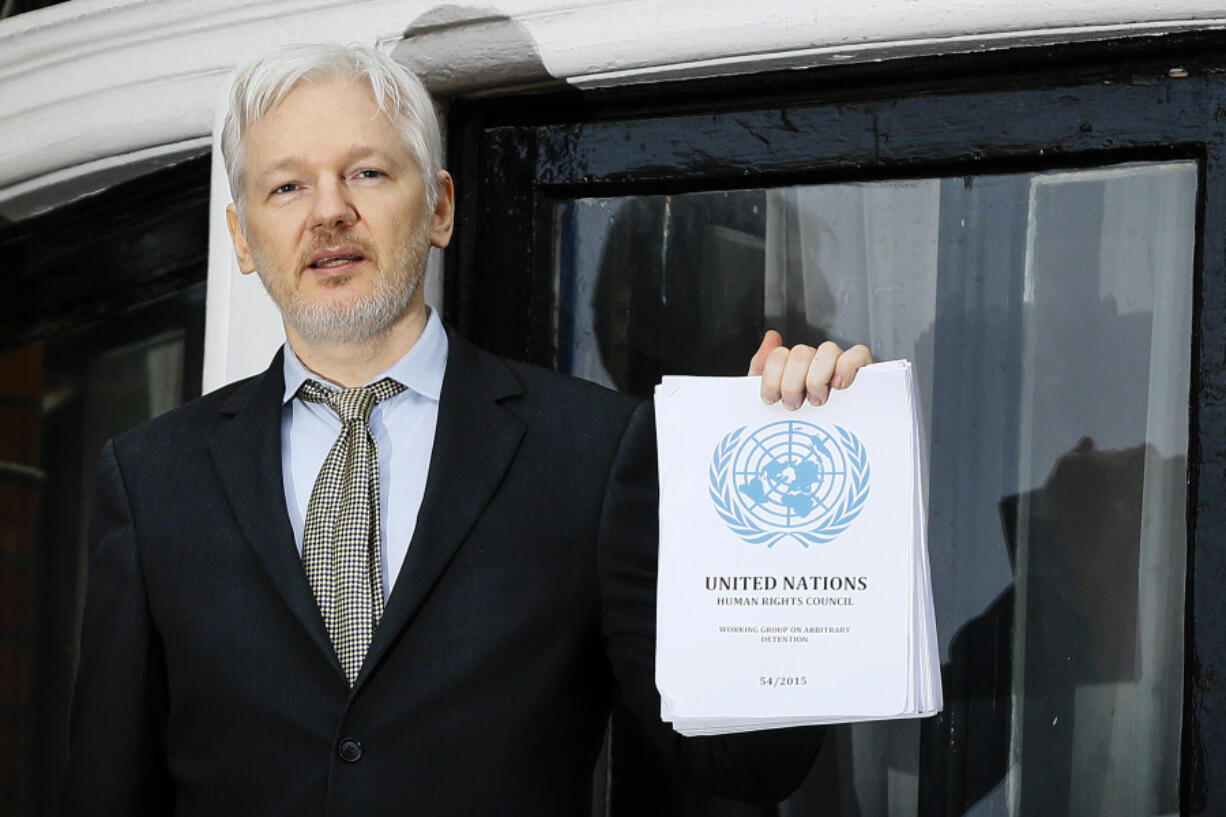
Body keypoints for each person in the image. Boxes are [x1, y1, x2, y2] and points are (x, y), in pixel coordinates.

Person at [60, 43, 872, 816]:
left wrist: (786, 486)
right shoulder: (151, 477)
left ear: (441, 207)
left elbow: (741, 761)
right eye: (287, 188)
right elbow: (107, 792)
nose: (331, 211)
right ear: (242, 238)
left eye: (367, 173)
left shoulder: (594, 452)